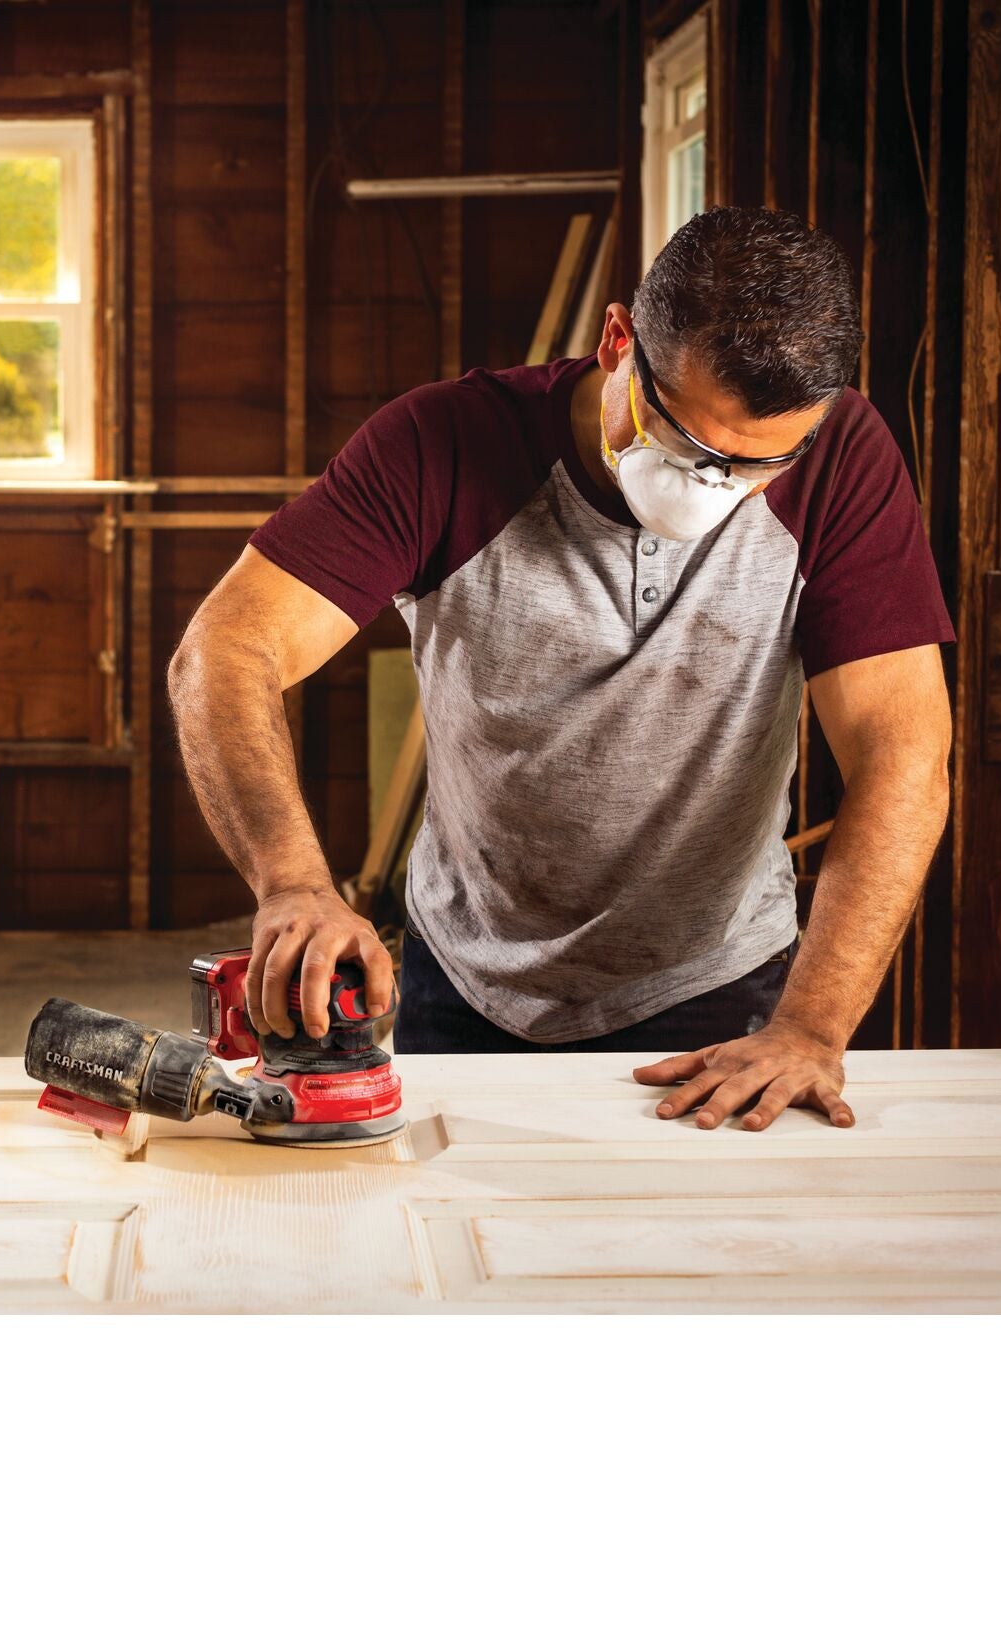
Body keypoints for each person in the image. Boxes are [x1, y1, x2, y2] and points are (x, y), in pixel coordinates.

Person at [167, 206, 954, 1132]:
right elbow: (224, 650)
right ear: (618, 341)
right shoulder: (443, 446)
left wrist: (813, 1028)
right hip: (465, 980)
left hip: (713, 983)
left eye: (755, 466)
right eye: (687, 446)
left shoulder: (842, 459)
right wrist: (292, 881)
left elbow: (903, 755)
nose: (713, 487)